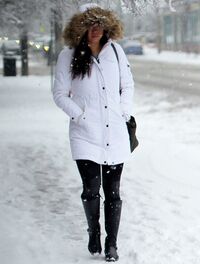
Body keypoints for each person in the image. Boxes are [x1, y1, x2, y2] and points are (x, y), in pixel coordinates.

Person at [51, 4, 134, 262]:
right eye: (90, 24)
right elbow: (59, 94)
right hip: (84, 133)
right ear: (81, 27)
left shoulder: (116, 52)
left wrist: (123, 112)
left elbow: (127, 85)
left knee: (113, 192)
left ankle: (112, 243)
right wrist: (81, 115)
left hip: (115, 133)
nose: (96, 29)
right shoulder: (68, 56)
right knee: (90, 189)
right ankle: (93, 230)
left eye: (101, 24)